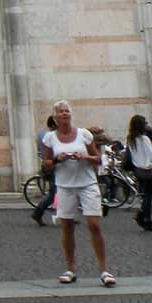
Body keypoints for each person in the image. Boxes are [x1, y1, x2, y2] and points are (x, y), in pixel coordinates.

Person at [43, 99, 114, 286]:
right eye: (61, 112)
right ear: (55, 117)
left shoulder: (83, 134)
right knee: (67, 227)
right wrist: (57, 159)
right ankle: (70, 269)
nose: (65, 114)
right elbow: (46, 164)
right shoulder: (50, 138)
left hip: (87, 183)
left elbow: (97, 159)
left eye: (67, 111)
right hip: (65, 185)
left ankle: (104, 270)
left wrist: (84, 157)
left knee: (94, 225)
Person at [125, 114, 152, 232]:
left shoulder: (130, 139)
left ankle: (142, 216)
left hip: (137, 170)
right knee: (149, 196)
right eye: (144, 123)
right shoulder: (144, 139)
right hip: (146, 169)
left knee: (147, 194)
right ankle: (146, 219)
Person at [30, 114, 58, 226]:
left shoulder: (42, 133)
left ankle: (67, 215)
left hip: (48, 166)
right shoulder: (51, 136)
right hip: (53, 166)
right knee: (54, 192)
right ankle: (38, 212)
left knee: (60, 191)